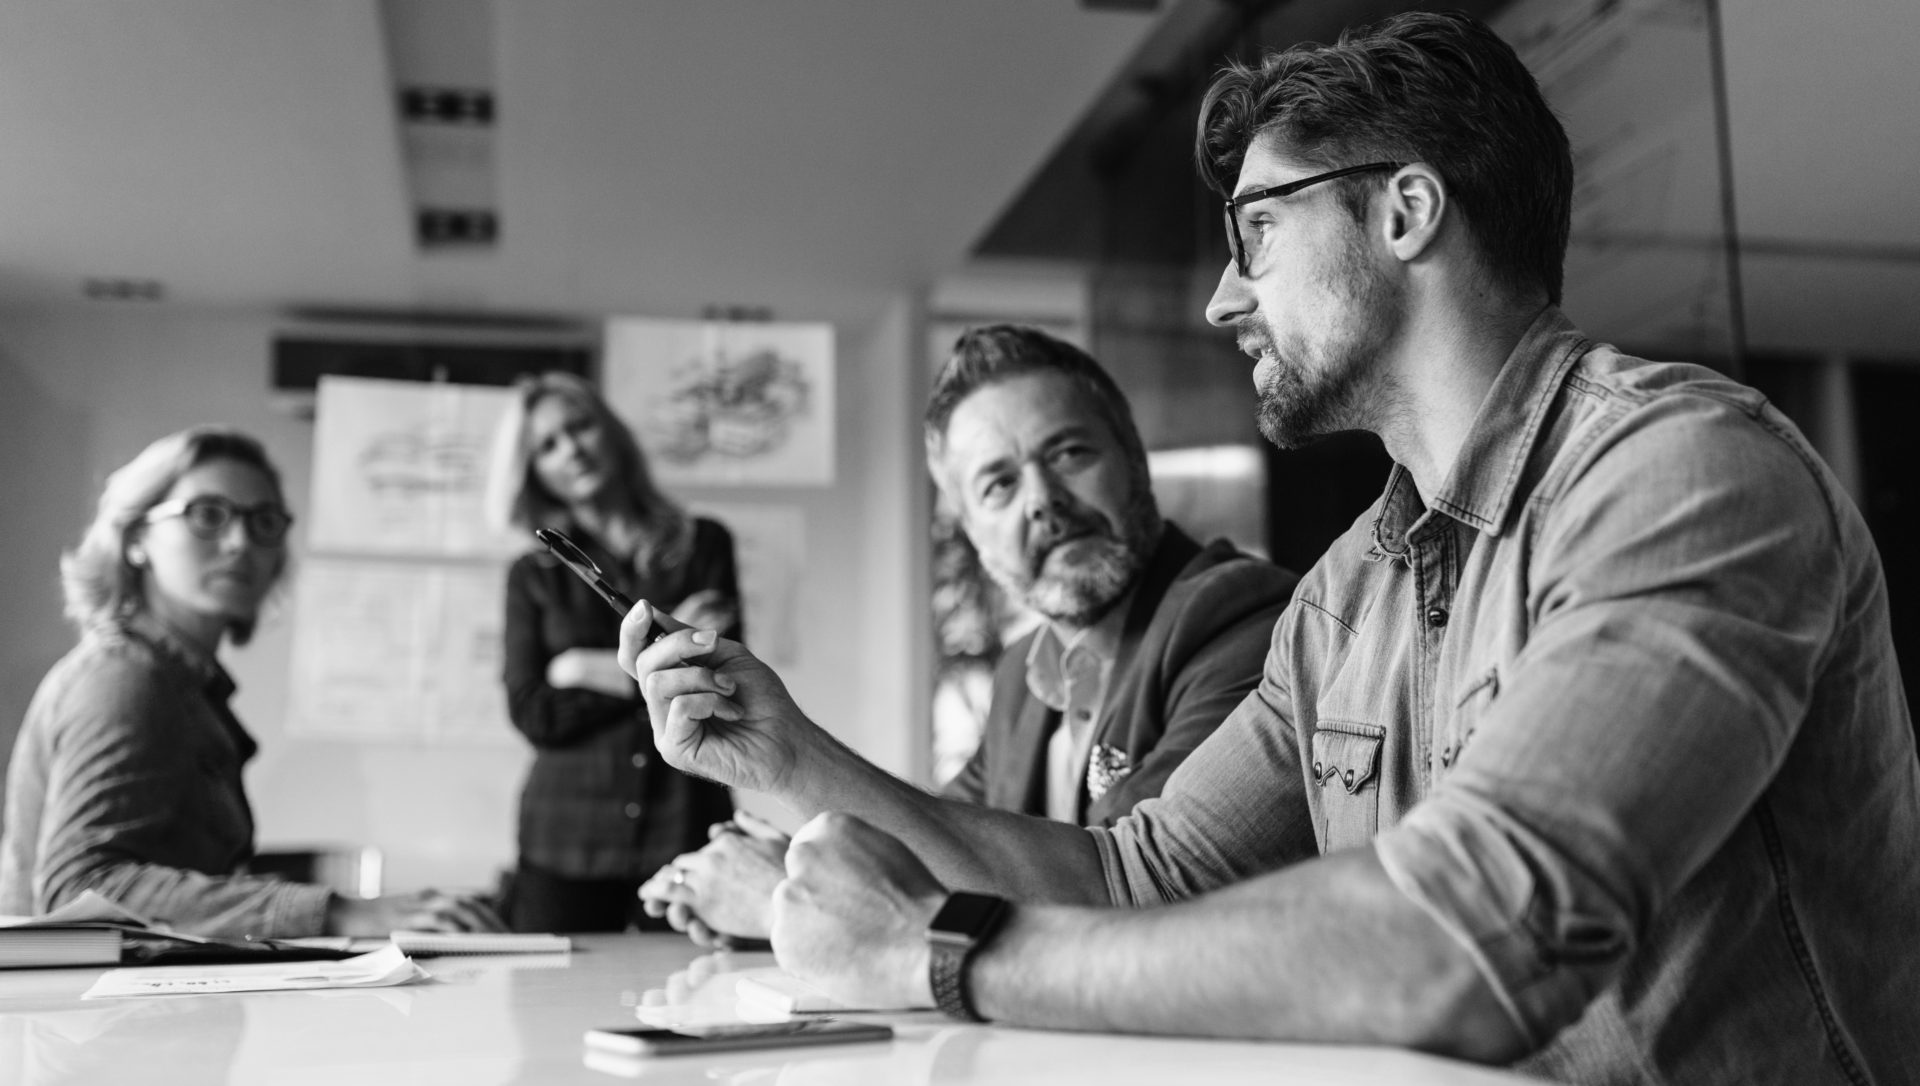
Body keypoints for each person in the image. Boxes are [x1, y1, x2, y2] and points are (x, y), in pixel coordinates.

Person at [616, 11, 1920, 1084]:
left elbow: (1479, 935)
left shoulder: (1683, 472)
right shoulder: (1351, 592)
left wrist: (937, 952)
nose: (1220, 296)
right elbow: (1136, 873)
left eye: (1258, 233)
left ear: (1407, 212)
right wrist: (782, 755)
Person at [637, 325, 1298, 945]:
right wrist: (798, 866)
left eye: (1068, 453)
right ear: (973, 534)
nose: (1042, 499)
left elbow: (1125, 895)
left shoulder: (1243, 620)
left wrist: (783, 893)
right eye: (998, 484)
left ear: (1135, 461)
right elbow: (943, 848)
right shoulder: (1021, 674)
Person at [0, 426, 503, 938]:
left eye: (263, 522)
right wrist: (337, 912)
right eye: (207, 515)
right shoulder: (125, 679)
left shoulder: (185, 686)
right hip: (80, 1012)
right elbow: (80, 889)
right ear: (135, 540)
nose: (241, 542)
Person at [486, 371, 741, 933]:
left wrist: (578, 668)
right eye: (547, 445)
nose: (571, 449)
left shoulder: (703, 545)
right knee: (552, 1011)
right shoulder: (532, 577)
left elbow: (718, 683)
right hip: (565, 839)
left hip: (685, 824)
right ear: (533, 472)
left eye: (580, 427)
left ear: (611, 432)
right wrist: (657, 666)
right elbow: (533, 711)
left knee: (693, 1002)